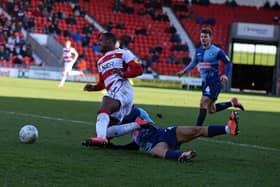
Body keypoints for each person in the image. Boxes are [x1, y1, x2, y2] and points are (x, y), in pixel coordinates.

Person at [83, 110, 240, 162]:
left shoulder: (137, 113)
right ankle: (182, 156)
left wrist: (111, 142)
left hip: (164, 133)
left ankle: (228, 128)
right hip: (155, 144)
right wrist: (111, 146)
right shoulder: (122, 126)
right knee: (156, 152)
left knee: (195, 130)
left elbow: (147, 124)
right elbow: (132, 146)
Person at [83, 32, 143, 145]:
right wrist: (94, 88)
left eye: (101, 40)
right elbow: (102, 84)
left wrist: (124, 74)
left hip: (121, 88)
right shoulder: (100, 61)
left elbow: (139, 69)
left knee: (103, 109)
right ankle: (139, 124)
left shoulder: (123, 53)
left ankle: (101, 139)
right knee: (107, 130)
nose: (98, 42)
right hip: (115, 92)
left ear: (110, 41)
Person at [176, 27, 244, 126]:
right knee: (211, 109)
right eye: (201, 36)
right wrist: (183, 71)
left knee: (203, 102)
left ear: (210, 38)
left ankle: (197, 128)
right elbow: (194, 62)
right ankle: (232, 103)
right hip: (205, 82)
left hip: (214, 81)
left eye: (205, 37)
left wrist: (225, 74)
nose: (203, 39)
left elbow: (229, 63)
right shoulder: (198, 51)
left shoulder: (217, 51)